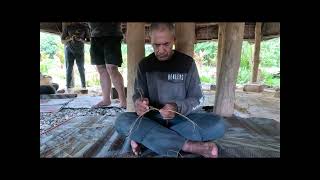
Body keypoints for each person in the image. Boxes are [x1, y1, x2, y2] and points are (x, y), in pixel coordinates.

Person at [114, 23, 226, 158]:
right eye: (156, 45)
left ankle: (147, 138)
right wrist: (139, 102)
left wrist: (176, 107)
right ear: (150, 41)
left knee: (218, 124)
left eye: (166, 44)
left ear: (174, 39)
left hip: (183, 120)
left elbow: (198, 98)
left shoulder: (187, 63)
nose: (161, 50)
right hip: (153, 119)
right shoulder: (144, 65)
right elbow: (138, 93)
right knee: (122, 120)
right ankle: (189, 146)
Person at [88, 22, 126, 108]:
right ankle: (106, 100)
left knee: (112, 68)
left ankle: (123, 101)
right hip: (95, 35)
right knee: (101, 68)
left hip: (113, 35)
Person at [61, 22, 90, 91]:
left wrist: (81, 40)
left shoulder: (84, 27)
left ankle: (83, 86)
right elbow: (62, 41)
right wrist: (70, 39)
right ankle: (68, 87)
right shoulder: (68, 27)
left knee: (81, 68)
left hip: (80, 51)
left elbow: (89, 42)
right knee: (69, 68)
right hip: (69, 50)